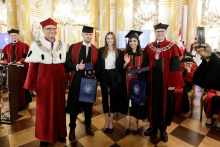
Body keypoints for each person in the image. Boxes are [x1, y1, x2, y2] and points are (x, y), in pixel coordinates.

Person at [24, 18, 67, 147]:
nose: (52, 31)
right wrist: (31, 84)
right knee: (44, 109)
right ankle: (44, 136)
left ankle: (60, 133)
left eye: (54, 29)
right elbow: (32, 66)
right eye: (49, 29)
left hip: (58, 81)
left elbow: (62, 65)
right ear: (43, 30)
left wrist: (65, 78)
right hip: (44, 82)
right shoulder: (37, 44)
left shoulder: (61, 44)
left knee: (59, 107)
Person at [144, 23, 184, 142]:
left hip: (166, 83)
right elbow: (145, 64)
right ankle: (152, 126)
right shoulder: (149, 47)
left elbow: (176, 67)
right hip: (151, 82)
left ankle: (163, 129)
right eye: (158, 31)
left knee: (164, 106)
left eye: (162, 31)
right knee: (152, 103)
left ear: (166, 32)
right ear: (155, 32)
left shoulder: (172, 46)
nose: (160, 33)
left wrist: (173, 83)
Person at [64, 26, 100, 141]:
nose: (88, 36)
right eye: (86, 34)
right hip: (76, 81)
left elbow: (99, 66)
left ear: (92, 36)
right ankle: (72, 128)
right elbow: (67, 63)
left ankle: (88, 125)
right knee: (74, 105)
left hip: (89, 81)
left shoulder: (95, 49)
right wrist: (76, 66)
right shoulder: (74, 47)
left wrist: (96, 73)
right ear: (82, 34)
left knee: (88, 105)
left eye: (90, 34)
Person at [118, 30, 148, 135]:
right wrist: (125, 64)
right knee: (127, 102)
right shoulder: (124, 53)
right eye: (130, 41)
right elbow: (120, 68)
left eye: (134, 41)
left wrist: (142, 71)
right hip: (127, 82)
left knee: (136, 101)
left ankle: (135, 122)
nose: (132, 43)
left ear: (138, 42)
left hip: (138, 81)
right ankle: (127, 122)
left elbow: (146, 68)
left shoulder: (144, 54)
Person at [2, 29, 32, 111]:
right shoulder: (7, 46)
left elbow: (26, 57)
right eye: (12, 35)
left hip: (21, 69)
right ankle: (14, 104)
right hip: (11, 70)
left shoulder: (24, 45)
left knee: (23, 87)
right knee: (13, 88)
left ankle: (24, 103)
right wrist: (5, 62)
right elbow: (4, 57)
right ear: (9, 36)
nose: (13, 37)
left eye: (15, 35)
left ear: (18, 35)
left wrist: (19, 62)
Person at [98, 32, 122, 133]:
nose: (110, 40)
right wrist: (98, 78)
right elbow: (98, 65)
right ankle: (106, 120)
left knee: (113, 98)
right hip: (104, 74)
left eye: (111, 38)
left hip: (114, 75)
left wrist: (126, 63)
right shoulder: (101, 50)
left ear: (114, 40)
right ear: (106, 39)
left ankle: (111, 120)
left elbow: (120, 66)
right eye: (108, 38)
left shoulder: (119, 51)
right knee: (104, 98)